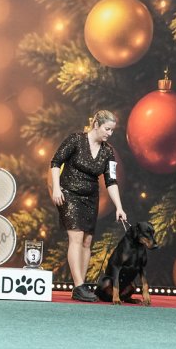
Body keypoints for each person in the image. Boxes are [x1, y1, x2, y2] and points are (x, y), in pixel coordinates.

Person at [50, 110, 127, 302]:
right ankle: (78, 286)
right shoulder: (76, 140)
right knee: (76, 237)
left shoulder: (107, 151)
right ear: (96, 125)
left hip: (91, 199)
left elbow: (111, 181)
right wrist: (56, 188)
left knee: (87, 241)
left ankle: (80, 286)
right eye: (107, 129)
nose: (110, 133)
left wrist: (119, 207)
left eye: (112, 130)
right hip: (69, 194)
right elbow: (55, 162)